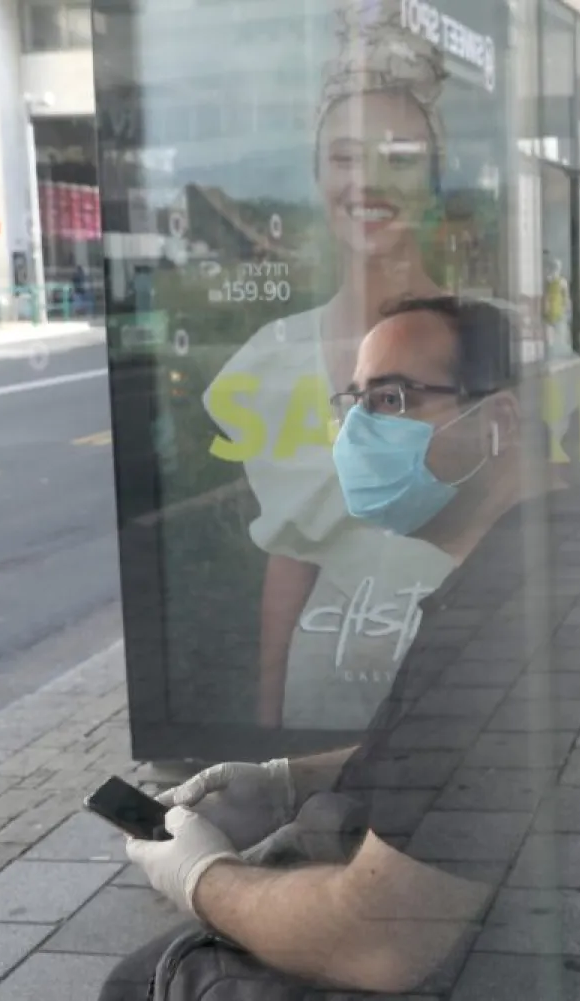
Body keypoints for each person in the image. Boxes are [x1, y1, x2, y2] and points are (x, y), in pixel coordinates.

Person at [101, 295, 580, 999]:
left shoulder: (506, 624)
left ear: (498, 421)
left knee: (155, 976)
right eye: (353, 403)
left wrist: (205, 879)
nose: (357, 431)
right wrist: (289, 780)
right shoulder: (543, 555)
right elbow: (463, 758)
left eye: (391, 399)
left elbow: (379, 938)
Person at [204, 0, 458, 730]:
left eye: (402, 157)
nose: (368, 182)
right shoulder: (270, 368)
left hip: (467, 702)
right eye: (345, 156)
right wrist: (268, 730)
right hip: (327, 702)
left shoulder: (498, 346)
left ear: (437, 178)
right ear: (317, 177)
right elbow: (292, 557)